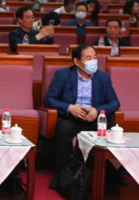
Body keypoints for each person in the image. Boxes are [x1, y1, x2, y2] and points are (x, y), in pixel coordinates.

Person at [44, 44, 119, 187]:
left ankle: (112, 176)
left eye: (95, 57)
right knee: (63, 129)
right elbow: (49, 99)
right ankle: (63, 176)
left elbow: (114, 102)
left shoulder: (103, 78)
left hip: (94, 118)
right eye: (88, 58)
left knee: (113, 129)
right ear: (77, 61)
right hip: (72, 118)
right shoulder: (63, 75)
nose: (93, 61)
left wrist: (97, 110)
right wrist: (69, 107)